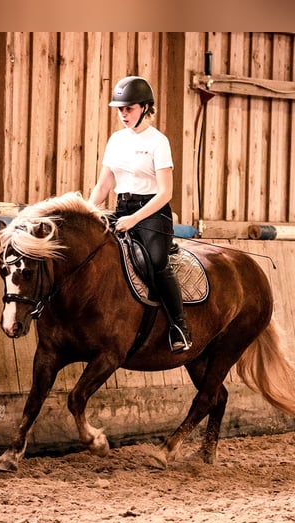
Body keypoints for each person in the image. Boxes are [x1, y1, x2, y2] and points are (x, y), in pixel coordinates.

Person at [88, 75, 192, 353]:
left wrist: (134, 220)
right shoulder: (116, 140)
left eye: (129, 108)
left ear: (145, 107)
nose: (123, 114)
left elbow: (165, 193)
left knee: (157, 262)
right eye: (120, 109)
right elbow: (104, 184)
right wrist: (87, 210)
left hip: (152, 211)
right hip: (121, 207)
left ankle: (179, 324)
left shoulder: (158, 141)